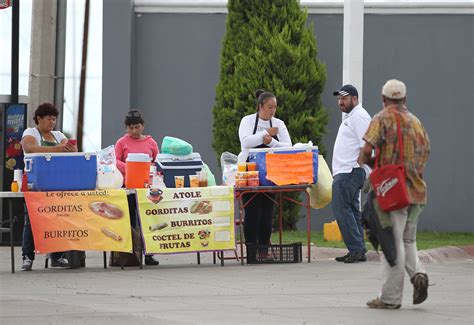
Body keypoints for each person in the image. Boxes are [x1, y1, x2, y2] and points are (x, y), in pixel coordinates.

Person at [359, 79, 430, 309]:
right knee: (408, 240)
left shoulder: (381, 118)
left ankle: (390, 298)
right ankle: (418, 273)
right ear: (405, 100)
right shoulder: (417, 122)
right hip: (416, 191)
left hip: (392, 192)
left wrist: (370, 163)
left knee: (392, 242)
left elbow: (366, 151)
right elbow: (425, 153)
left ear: (383, 99)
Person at [20, 103, 78, 271]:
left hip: (57, 183)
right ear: (39, 118)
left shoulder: (58, 135)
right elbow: (29, 148)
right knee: (31, 220)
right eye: (48, 119)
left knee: (59, 217)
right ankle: (27, 256)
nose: (52, 122)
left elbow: (71, 151)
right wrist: (60, 149)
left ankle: (57, 256)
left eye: (54, 119)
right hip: (35, 184)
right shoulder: (30, 133)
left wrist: (72, 148)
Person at [238, 89, 292, 247]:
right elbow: (246, 142)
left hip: (271, 172)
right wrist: (265, 134)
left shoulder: (278, 124)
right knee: (252, 211)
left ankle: (263, 249)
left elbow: (288, 146)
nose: (273, 111)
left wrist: (272, 143)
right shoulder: (247, 121)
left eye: (275, 107)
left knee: (267, 212)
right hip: (249, 172)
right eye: (270, 107)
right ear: (260, 106)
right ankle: (251, 248)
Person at [331, 84, 371, 263]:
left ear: (355, 99)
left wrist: (360, 167)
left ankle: (355, 249)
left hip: (349, 171)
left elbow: (367, 145)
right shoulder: (352, 117)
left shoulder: (359, 116)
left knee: (341, 209)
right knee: (352, 210)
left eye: (344, 98)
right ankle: (358, 249)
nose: (341, 102)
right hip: (348, 171)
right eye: (339, 98)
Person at [115, 109, 160, 266]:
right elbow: (115, 161)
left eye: (137, 127)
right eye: (131, 128)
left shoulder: (151, 142)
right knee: (131, 220)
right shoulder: (121, 143)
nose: (134, 131)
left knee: (147, 219)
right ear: (126, 128)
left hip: (147, 188)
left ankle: (148, 253)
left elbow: (157, 161)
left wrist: (146, 168)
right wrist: (131, 167)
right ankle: (132, 253)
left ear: (143, 126)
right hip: (128, 188)